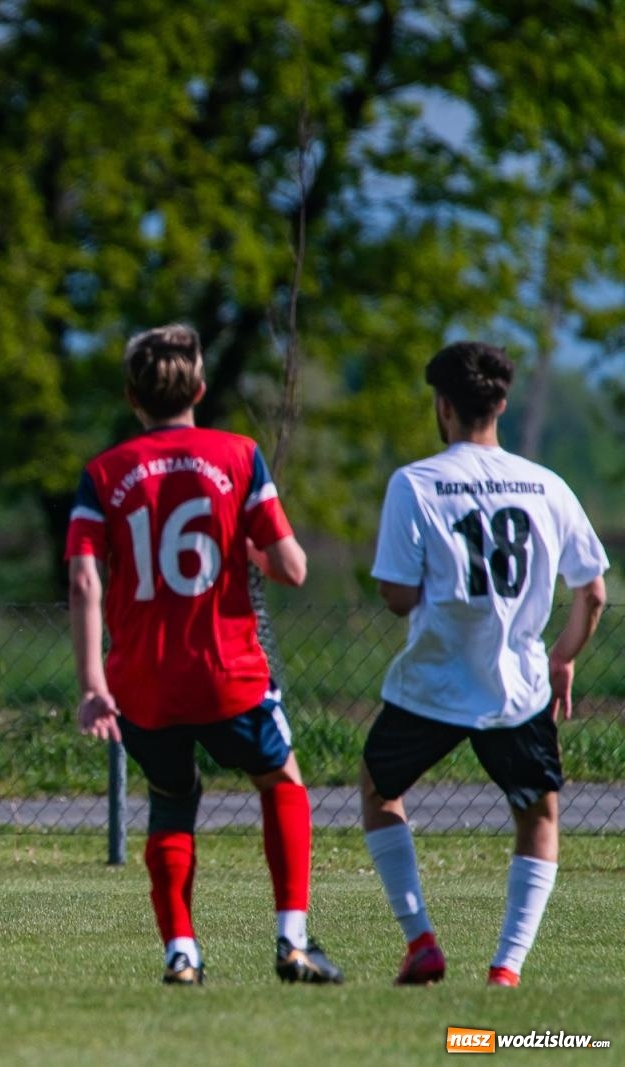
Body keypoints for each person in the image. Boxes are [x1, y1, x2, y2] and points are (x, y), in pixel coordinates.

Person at [68, 323, 342, 986]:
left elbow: (83, 580)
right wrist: (247, 549)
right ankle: (292, 941)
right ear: (199, 389)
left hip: (142, 681)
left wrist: (92, 683)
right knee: (281, 780)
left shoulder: (104, 473)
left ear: (132, 396)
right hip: (228, 672)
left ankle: (182, 953)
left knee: (171, 800)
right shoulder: (239, 455)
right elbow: (292, 568)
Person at [363, 341, 608, 988]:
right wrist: (563, 656)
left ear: (443, 405)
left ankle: (421, 940)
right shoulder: (546, 485)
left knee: (379, 788)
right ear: (500, 404)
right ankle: (507, 969)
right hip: (517, 690)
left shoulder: (415, 482)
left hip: (433, 683)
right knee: (538, 817)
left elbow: (396, 596)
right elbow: (593, 591)